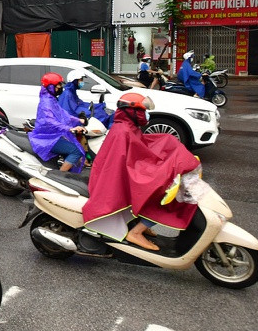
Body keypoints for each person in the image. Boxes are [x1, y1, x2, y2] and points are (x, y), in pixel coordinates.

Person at [82, 93, 201, 251]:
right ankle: (137, 232)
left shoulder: (127, 126)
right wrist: (162, 170)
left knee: (169, 159)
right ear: (131, 111)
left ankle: (142, 223)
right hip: (125, 179)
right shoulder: (122, 132)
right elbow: (124, 166)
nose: (146, 114)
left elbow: (141, 150)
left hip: (132, 173)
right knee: (166, 194)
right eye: (143, 110)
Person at [28, 72, 86, 173]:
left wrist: (78, 120)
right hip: (46, 138)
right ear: (51, 86)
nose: (60, 87)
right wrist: (69, 128)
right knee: (76, 151)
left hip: (53, 135)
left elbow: (63, 114)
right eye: (58, 85)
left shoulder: (51, 99)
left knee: (73, 144)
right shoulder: (47, 102)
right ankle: (59, 177)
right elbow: (50, 121)